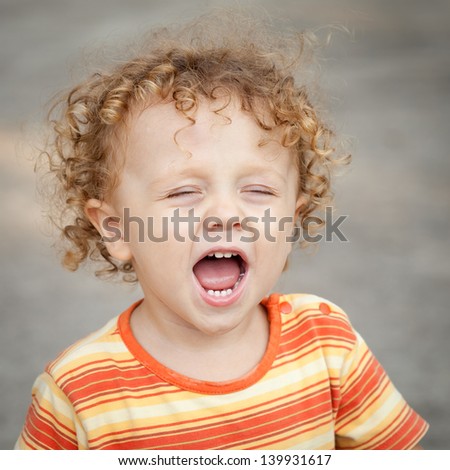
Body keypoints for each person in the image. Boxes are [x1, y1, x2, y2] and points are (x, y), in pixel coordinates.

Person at [16, 11, 428, 450]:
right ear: (117, 230)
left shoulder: (328, 348)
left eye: (257, 189)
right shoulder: (80, 390)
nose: (225, 213)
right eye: (183, 192)